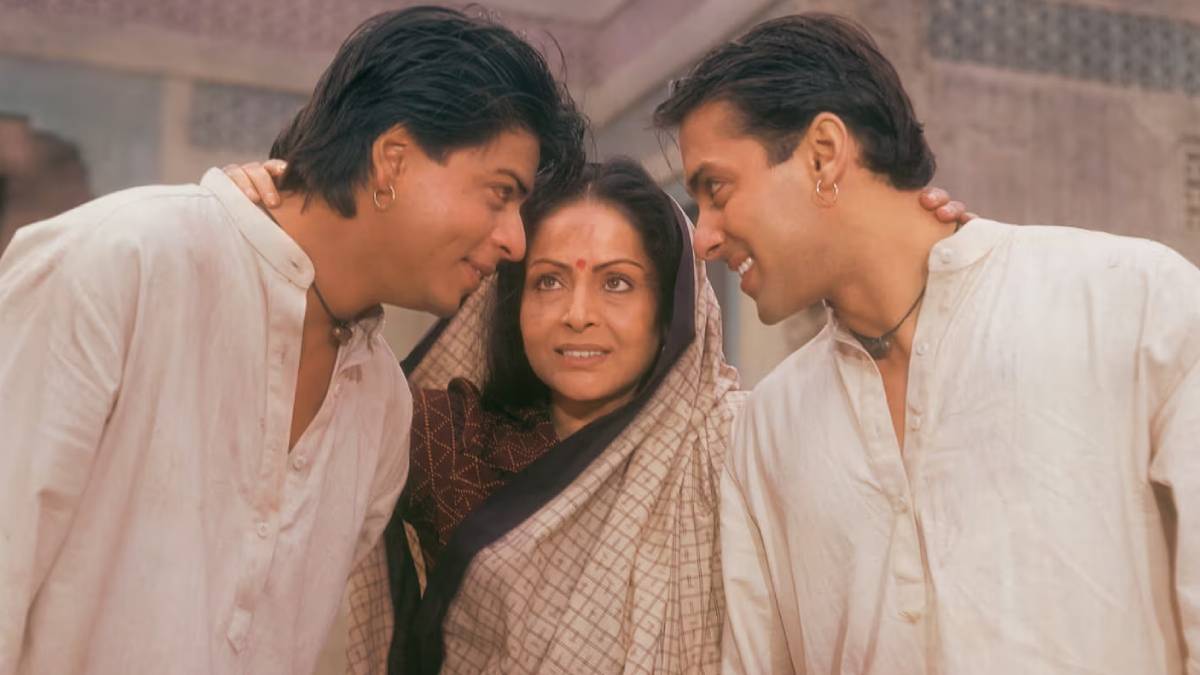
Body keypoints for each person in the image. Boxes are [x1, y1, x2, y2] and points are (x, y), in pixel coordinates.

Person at [0, 6, 584, 674]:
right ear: (392, 160)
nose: (515, 241)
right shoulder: (119, 265)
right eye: (500, 194)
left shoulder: (381, 404)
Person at [228, 153, 968, 674]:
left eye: (617, 283)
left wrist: (910, 248)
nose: (576, 314)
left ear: (670, 307)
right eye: (548, 282)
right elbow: (290, 394)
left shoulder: (745, 446)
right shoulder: (450, 442)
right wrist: (258, 228)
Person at [653, 12, 1200, 675]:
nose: (703, 237)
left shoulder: (1130, 304)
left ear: (823, 153)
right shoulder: (769, 428)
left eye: (716, 190)